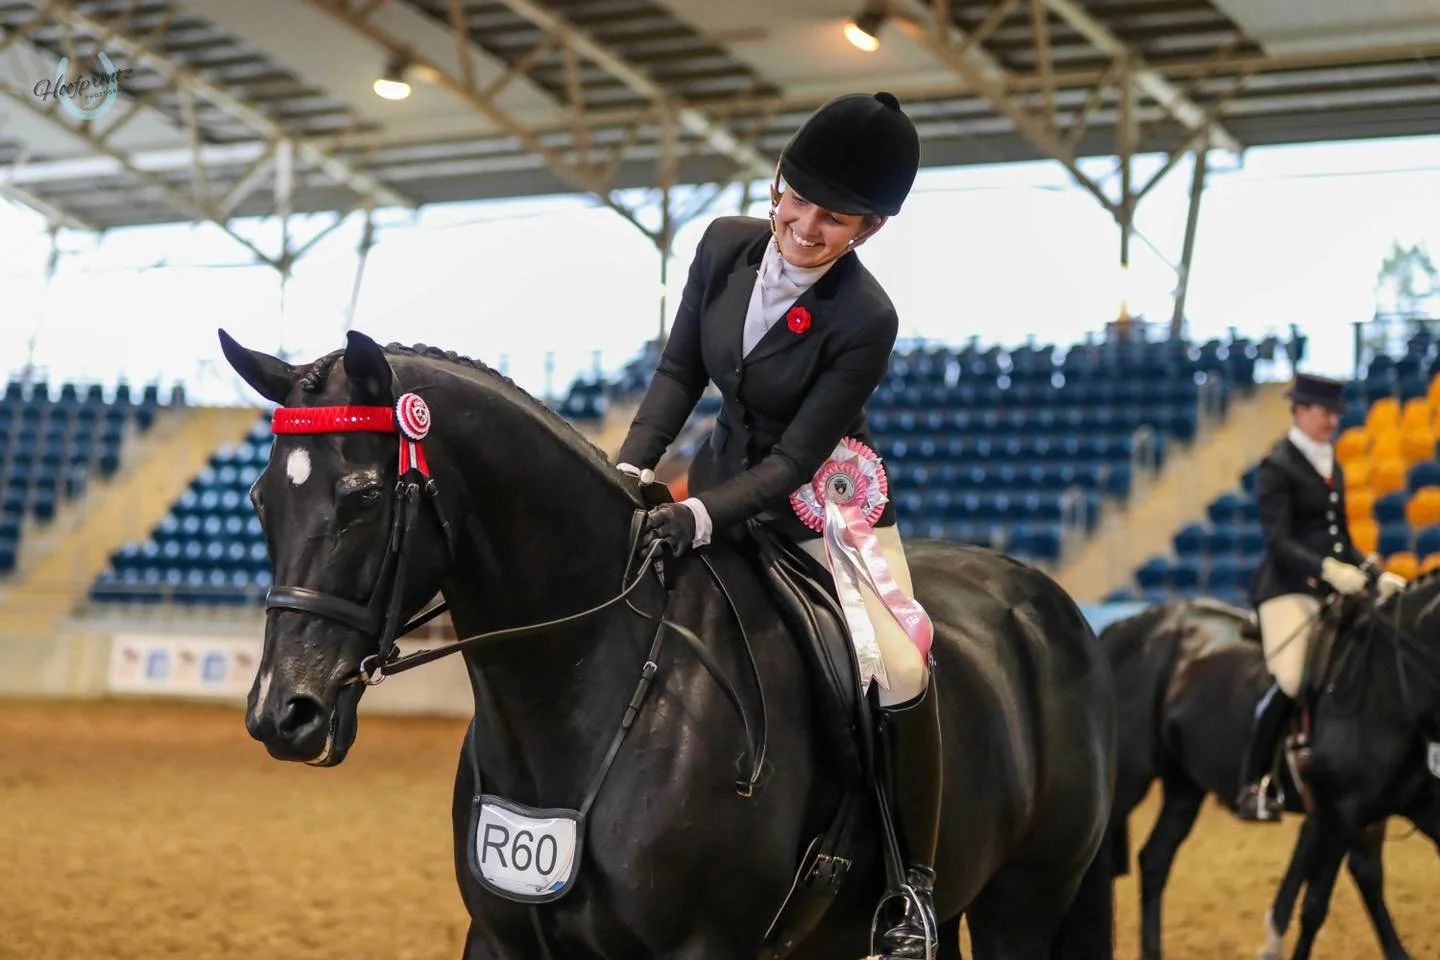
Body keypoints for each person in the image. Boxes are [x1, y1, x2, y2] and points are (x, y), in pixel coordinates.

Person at [614, 92, 939, 957]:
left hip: (824, 510)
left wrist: (695, 516)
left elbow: (795, 462)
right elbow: (680, 369)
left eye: (833, 220)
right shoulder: (723, 245)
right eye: (796, 201)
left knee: (901, 667)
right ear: (776, 187)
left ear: (865, 231)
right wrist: (630, 467)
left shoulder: (867, 318)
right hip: (714, 487)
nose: (805, 227)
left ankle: (911, 886)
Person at [1236, 373, 1407, 821]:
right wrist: (1327, 570)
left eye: (1335, 413)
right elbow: (1279, 540)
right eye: (1324, 412)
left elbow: (1341, 538)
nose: (1332, 420)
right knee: (1292, 678)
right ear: (1300, 411)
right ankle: (1253, 784)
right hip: (1285, 589)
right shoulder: (1277, 464)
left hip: (1332, 586)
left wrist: (1373, 573)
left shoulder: (1333, 461)